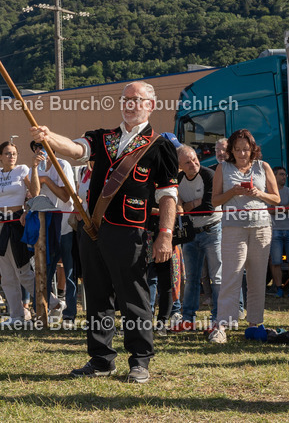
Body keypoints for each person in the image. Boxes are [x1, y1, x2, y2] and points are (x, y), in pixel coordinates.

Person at [32, 81, 179, 384]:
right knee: (97, 295)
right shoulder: (102, 137)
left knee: (134, 296)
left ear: (151, 105)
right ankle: (101, 359)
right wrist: (49, 136)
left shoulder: (160, 146)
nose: (129, 104)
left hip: (131, 231)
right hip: (94, 228)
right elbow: (76, 150)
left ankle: (140, 360)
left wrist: (165, 234)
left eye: (136, 99)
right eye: (125, 99)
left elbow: (168, 196)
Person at [209, 129, 280, 344]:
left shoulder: (263, 166)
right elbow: (215, 201)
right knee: (231, 275)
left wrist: (259, 193)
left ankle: (255, 323)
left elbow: (276, 199)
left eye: (246, 149)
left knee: (257, 278)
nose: (242, 154)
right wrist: (233, 192)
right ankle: (222, 325)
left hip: (261, 227)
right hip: (233, 228)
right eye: (237, 149)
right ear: (231, 150)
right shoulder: (222, 168)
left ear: (252, 149)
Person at [0, 140, 39, 327]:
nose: (11, 156)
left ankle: (52, 303)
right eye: (8, 153)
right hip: (1, 223)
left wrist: (27, 211)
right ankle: (16, 315)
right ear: (0, 156)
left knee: (23, 271)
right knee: (7, 275)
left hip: (17, 222)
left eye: (14, 153)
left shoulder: (22, 170)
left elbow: (34, 192)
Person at [172, 145, 220, 331]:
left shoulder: (209, 175)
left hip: (213, 230)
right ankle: (188, 318)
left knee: (216, 276)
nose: (193, 163)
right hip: (191, 232)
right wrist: (191, 204)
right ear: (180, 166)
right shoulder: (178, 179)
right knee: (191, 278)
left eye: (194, 159)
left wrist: (187, 205)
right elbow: (176, 205)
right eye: (187, 162)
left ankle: (218, 318)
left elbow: (209, 207)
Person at [32, 140, 76, 319]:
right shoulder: (36, 168)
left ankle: (70, 314)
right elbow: (35, 194)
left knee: (69, 270)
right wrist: (35, 170)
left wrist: (46, 180)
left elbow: (66, 196)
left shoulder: (62, 165)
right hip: (46, 227)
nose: (40, 150)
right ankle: (41, 311)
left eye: (43, 146)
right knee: (44, 270)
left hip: (65, 225)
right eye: (36, 147)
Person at [270, 166, 289, 298]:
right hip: (274, 230)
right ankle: (278, 288)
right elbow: (269, 210)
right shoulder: (269, 192)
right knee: (276, 262)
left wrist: (278, 207)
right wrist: (286, 207)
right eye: (281, 174)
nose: (284, 177)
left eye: (285, 175)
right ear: (274, 176)